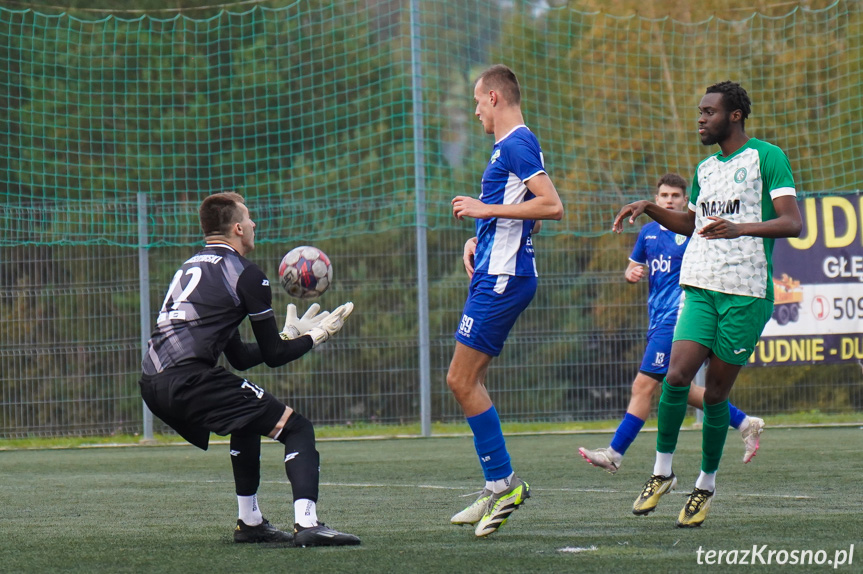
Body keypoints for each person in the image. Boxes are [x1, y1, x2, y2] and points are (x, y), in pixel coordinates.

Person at [613, 81, 802, 527]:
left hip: (745, 294)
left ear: (734, 115)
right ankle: (662, 472)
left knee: (715, 393)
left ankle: (706, 484)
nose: (701, 119)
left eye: (709, 112)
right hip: (698, 284)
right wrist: (649, 207)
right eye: (700, 112)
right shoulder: (704, 168)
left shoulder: (767, 157)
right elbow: (693, 223)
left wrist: (739, 229)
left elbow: (792, 223)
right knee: (675, 376)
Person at [139, 191, 361, 547]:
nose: (255, 224)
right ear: (238, 228)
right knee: (297, 427)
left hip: (153, 381)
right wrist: (315, 337)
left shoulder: (191, 265)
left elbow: (240, 356)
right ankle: (307, 524)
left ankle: (251, 522)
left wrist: (288, 334)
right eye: (249, 218)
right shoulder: (247, 275)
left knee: (247, 419)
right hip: (189, 379)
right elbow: (273, 355)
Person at [578, 173, 764, 474]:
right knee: (676, 387)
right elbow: (634, 266)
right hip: (658, 318)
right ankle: (745, 422)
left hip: (680, 318)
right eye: (664, 196)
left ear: (684, 200)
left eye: (676, 197)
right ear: (657, 197)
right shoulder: (649, 233)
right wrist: (631, 273)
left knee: (643, 385)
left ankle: (615, 453)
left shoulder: (694, 232)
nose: (669, 201)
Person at [448, 64, 564, 538]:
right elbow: (528, 218)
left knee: (460, 379)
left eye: (477, 101)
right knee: (465, 379)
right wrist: (481, 235)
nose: (475, 111)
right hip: (496, 269)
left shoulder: (515, 142)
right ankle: (498, 483)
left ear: (494, 97)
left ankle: (504, 485)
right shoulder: (511, 146)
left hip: (504, 277)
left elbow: (552, 206)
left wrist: (485, 210)